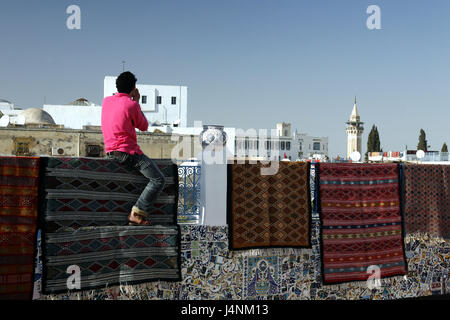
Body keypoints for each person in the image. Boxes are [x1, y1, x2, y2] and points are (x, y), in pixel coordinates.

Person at [101, 71, 166, 225]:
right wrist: (136, 101)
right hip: (127, 153)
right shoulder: (131, 105)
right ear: (133, 88)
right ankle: (136, 212)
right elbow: (143, 126)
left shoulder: (106, 101)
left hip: (110, 151)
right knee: (158, 180)